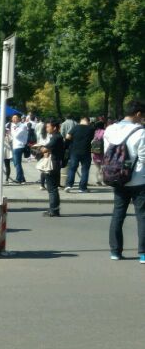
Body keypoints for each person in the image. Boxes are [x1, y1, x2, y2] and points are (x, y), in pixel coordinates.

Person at [103, 100, 144, 262]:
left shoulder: (110, 129)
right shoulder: (141, 132)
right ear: (138, 114)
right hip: (139, 179)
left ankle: (115, 251)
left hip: (117, 178)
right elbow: (143, 158)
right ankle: (143, 253)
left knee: (118, 214)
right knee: (142, 216)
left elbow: (107, 154)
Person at [40, 120, 64, 217]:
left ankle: (53, 210)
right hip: (56, 163)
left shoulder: (56, 137)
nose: (46, 129)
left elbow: (45, 149)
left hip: (52, 164)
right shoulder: (57, 137)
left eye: (48, 127)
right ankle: (55, 209)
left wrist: (41, 148)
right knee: (53, 189)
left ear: (54, 128)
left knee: (52, 189)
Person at [65, 117, 95, 193]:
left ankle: (69, 185)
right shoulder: (91, 129)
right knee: (85, 170)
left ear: (81, 121)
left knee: (72, 169)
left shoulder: (75, 127)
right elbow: (92, 138)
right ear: (88, 121)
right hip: (86, 151)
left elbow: (67, 136)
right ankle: (82, 188)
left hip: (74, 151)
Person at [8, 114, 29, 184]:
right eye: (13, 118)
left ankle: (19, 178)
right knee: (16, 163)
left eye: (16, 118)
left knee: (17, 163)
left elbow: (16, 135)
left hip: (19, 146)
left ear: (19, 119)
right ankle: (22, 178)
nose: (14, 119)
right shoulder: (13, 126)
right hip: (14, 145)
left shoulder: (22, 126)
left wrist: (12, 130)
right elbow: (11, 136)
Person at [91, 121, 106, 186]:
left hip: (95, 152)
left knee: (98, 168)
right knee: (103, 167)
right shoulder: (105, 132)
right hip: (102, 152)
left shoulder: (95, 132)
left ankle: (98, 180)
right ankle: (102, 180)